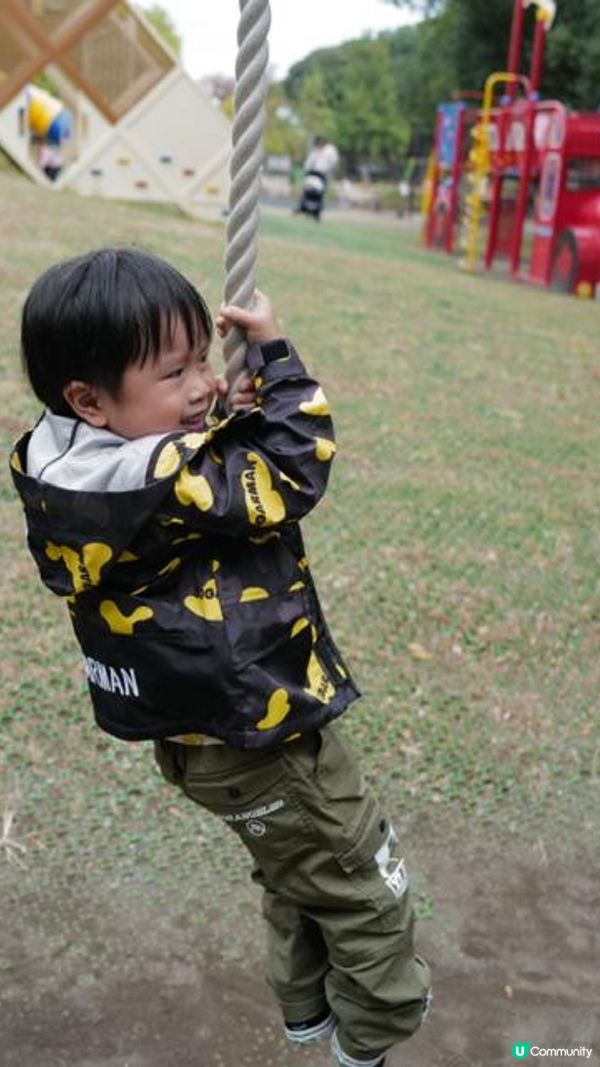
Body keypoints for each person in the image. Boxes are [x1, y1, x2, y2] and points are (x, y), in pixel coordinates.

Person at [10, 247, 431, 1067]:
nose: (203, 382)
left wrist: (205, 415)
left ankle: (308, 1011)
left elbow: (188, 483)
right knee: (363, 881)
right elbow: (290, 471)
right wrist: (273, 358)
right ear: (88, 398)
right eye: (177, 371)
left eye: (205, 358)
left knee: (292, 869)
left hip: (200, 744)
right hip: (264, 737)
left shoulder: (71, 468)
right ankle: (375, 1034)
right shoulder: (170, 477)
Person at [295, 135, 339, 221]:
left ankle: (316, 213)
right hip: (312, 174)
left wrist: (327, 170)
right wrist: (306, 171)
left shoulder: (330, 150)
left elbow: (333, 162)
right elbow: (309, 162)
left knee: (319, 195)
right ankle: (304, 209)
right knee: (308, 192)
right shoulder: (315, 151)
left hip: (323, 174)